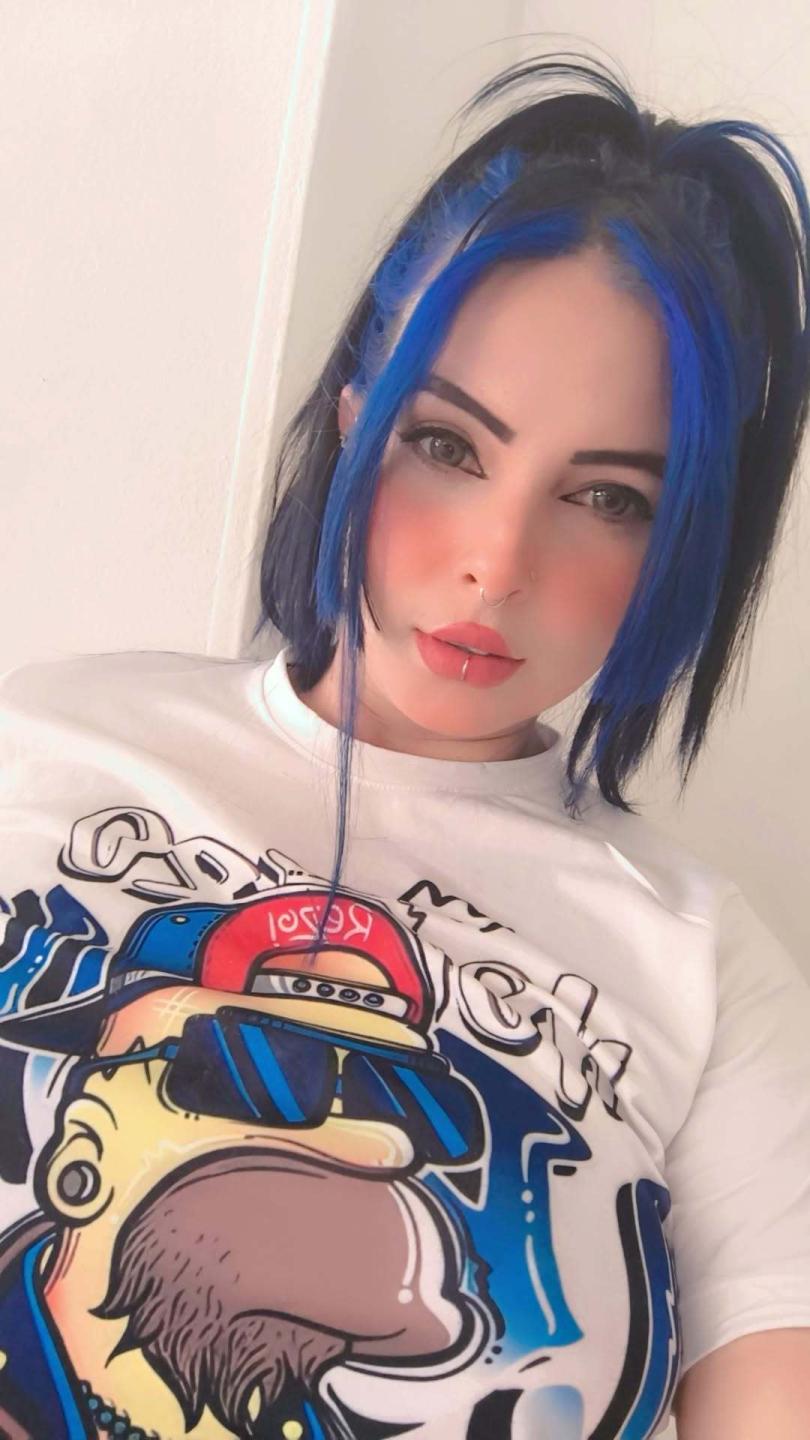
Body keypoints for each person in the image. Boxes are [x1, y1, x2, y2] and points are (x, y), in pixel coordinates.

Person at [0, 50, 809, 1440]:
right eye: (447, 445)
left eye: (608, 499)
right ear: (353, 417)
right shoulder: (43, 745)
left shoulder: (703, 963)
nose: (498, 563)